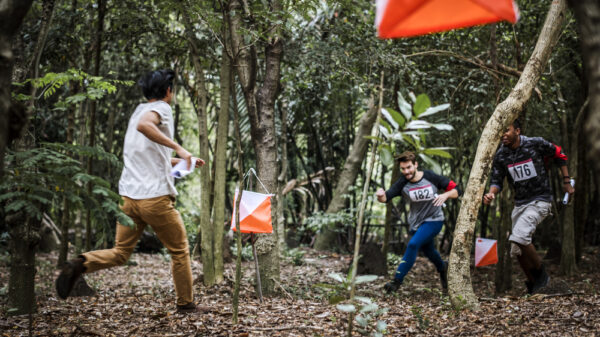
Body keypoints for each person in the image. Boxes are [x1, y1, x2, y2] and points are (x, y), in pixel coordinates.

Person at [56, 69, 206, 313]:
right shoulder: (160, 110)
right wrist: (180, 148)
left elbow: (153, 157)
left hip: (128, 199)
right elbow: (145, 126)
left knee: (120, 252)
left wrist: (185, 161)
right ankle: (186, 304)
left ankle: (81, 263)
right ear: (168, 91)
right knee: (179, 250)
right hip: (155, 199)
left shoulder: (137, 112)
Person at [483, 119, 574, 294]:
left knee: (519, 236)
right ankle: (534, 285)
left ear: (517, 131)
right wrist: (492, 192)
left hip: (540, 200)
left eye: (507, 130)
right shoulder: (501, 155)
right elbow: (496, 180)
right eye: (500, 131)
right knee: (516, 250)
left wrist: (566, 181)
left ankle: (542, 276)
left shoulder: (535, 143)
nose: (503, 135)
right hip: (520, 204)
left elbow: (560, 154)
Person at [375, 151, 460, 293]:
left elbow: (457, 190)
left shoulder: (431, 177)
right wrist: (380, 195)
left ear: (415, 165)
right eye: (403, 169)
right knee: (430, 251)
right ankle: (443, 267)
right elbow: (386, 198)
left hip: (434, 220)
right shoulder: (402, 182)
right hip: (416, 223)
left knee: (413, 244)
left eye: (409, 167)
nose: (406, 172)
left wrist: (445, 195)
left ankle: (396, 281)